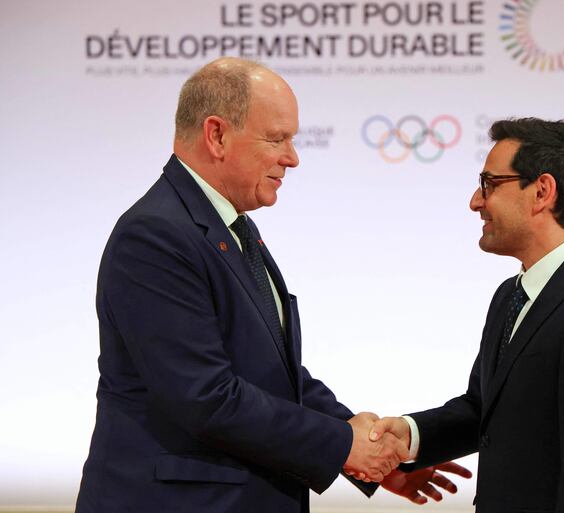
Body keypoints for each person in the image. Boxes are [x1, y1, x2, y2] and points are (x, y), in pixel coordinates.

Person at [75, 57, 467, 512]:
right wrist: (345, 445)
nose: (292, 157)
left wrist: (369, 454)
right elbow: (207, 397)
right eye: (277, 138)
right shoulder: (156, 235)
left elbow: (272, 376)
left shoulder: (229, 228)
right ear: (217, 134)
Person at [370, 118, 564, 512]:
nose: (476, 200)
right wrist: (410, 434)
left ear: (541, 191)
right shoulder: (511, 295)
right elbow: (484, 409)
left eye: (490, 183)